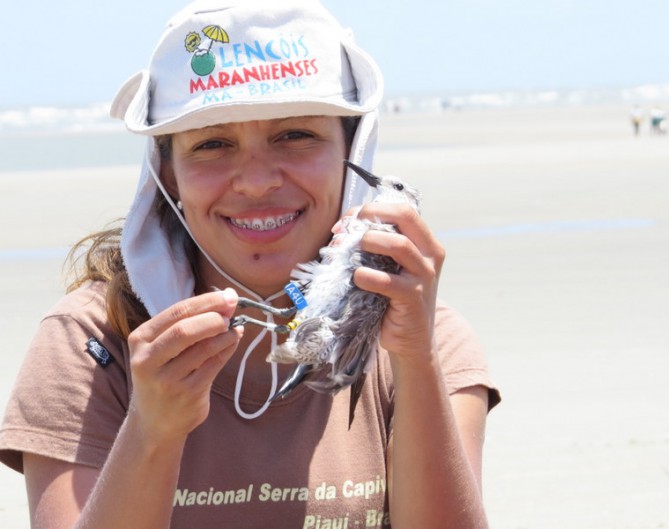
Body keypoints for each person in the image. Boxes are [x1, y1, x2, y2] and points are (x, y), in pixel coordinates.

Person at [0, 1, 500, 528]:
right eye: (213, 144)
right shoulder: (93, 341)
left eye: (295, 135)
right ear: (168, 177)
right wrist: (151, 431)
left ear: (351, 148)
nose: (256, 180)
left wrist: (416, 360)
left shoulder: (425, 339)